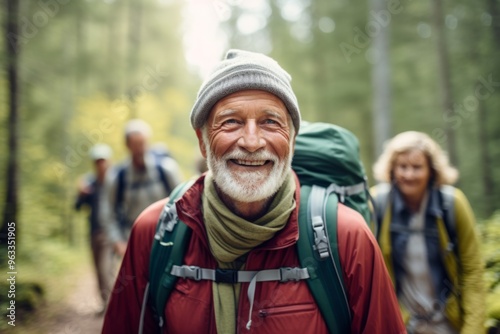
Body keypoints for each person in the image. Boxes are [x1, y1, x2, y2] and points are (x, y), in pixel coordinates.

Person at [102, 49, 405, 333]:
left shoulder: (346, 236)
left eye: (270, 122)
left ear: (292, 140)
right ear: (202, 140)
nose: (251, 141)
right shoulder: (156, 232)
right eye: (231, 121)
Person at [371, 131, 485, 334]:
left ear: (431, 170)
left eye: (417, 167)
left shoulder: (452, 205)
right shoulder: (378, 204)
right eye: (402, 167)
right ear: (392, 169)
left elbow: (472, 272)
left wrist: (473, 329)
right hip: (402, 325)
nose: (409, 175)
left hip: (449, 324)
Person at [100, 119, 182, 256]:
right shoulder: (117, 177)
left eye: (142, 143)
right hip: (132, 241)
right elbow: (108, 213)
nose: (140, 149)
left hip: (167, 240)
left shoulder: (167, 169)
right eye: (135, 145)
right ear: (127, 145)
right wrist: (118, 242)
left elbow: (183, 203)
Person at [74, 143, 114, 311]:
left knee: (106, 269)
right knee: (98, 270)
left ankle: (112, 304)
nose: (101, 164)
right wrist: (82, 195)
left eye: (103, 160)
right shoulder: (88, 184)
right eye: (98, 161)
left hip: (110, 233)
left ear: (108, 161)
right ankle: (105, 303)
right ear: (94, 163)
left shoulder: (116, 181)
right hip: (93, 232)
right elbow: (77, 207)